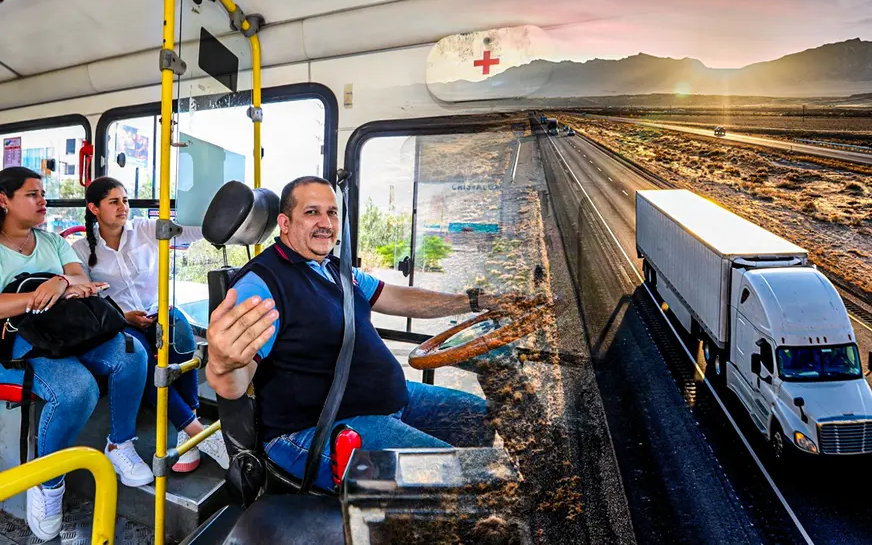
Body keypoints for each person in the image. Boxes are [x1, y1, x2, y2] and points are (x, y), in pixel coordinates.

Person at [207, 176, 507, 490]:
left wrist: (473, 302)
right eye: (312, 212)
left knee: (481, 417)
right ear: (285, 223)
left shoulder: (333, 267)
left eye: (332, 213)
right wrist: (222, 365)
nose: (326, 223)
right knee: (466, 481)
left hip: (391, 401)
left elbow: (396, 296)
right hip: (318, 429)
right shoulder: (260, 285)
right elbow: (234, 384)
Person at [0, 167, 152, 542]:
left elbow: (81, 278)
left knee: (132, 351)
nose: (43, 201)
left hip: (64, 328)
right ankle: (48, 483)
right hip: (17, 337)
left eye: (43, 194)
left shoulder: (52, 242)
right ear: (4, 200)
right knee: (77, 389)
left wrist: (62, 282)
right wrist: (39, 296)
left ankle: (119, 442)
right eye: (32, 194)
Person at [72, 176, 229, 473]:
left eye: (125, 200)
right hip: (120, 320)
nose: (123, 207)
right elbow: (87, 296)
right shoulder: (81, 249)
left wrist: (219, 219)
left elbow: (190, 231)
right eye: (114, 201)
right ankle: (199, 432)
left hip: (158, 309)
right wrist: (124, 316)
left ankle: (187, 431)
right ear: (94, 208)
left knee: (181, 338)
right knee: (143, 361)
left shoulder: (145, 229)